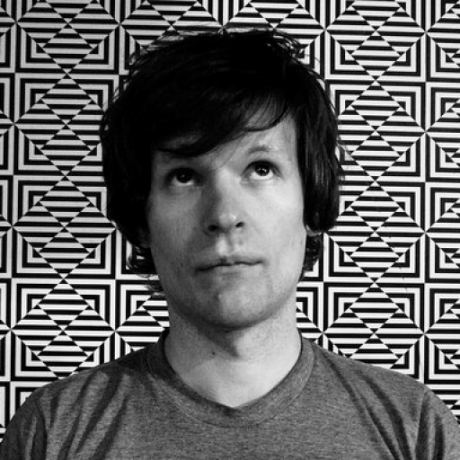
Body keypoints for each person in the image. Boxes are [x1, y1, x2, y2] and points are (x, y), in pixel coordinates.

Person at [1, 28, 459, 459]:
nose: (224, 215)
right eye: (184, 175)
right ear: (142, 220)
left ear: (311, 204)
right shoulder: (54, 431)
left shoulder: (416, 429)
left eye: (261, 168)